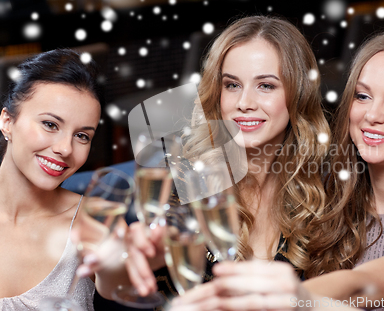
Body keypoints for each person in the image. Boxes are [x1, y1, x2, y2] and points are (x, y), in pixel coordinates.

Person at [169, 31, 384, 311]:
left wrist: (288, 296)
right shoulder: (336, 197)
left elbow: (361, 285)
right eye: (362, 96)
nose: (372, 114)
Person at [123, 15, 332, 303]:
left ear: (298, 94)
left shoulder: (324, 187)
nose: (244, 103)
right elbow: (118, 284)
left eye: (266, 86)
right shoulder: (180, 180)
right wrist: (123, 263)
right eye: (232, 85)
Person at [0, 49, 106, 310]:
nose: (65, 149)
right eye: (50, 124)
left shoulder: (92, 221)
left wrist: (120, 262)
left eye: (82, 136)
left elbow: (116, 284)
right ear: (7, 122)